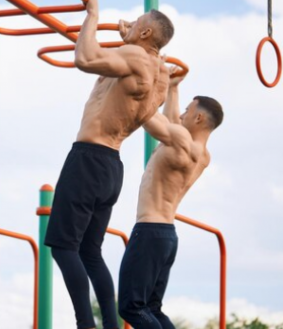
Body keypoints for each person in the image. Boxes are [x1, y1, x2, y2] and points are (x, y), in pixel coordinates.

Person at [43, 0, 176, 327]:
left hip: (87, 160)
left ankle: (86, 324)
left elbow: (85, 57)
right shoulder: (158, 75)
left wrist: (92, 15)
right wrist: (129, 37)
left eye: (137, 22)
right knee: (90, 252)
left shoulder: (133, 57)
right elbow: (126, 74)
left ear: (145, 31)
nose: (129, 22)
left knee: (62, 247)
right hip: (111, 167)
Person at [117, 69, 224, 329]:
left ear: (198, 118)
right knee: (152, 308)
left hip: (150, 232)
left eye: (187, 111)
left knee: (132, 307)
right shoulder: (201, 153)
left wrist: (134, 82)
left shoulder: (180, 144)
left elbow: (148, 118)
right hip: (165, 235)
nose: (182, 114)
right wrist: (173, 88)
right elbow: (173, 125)